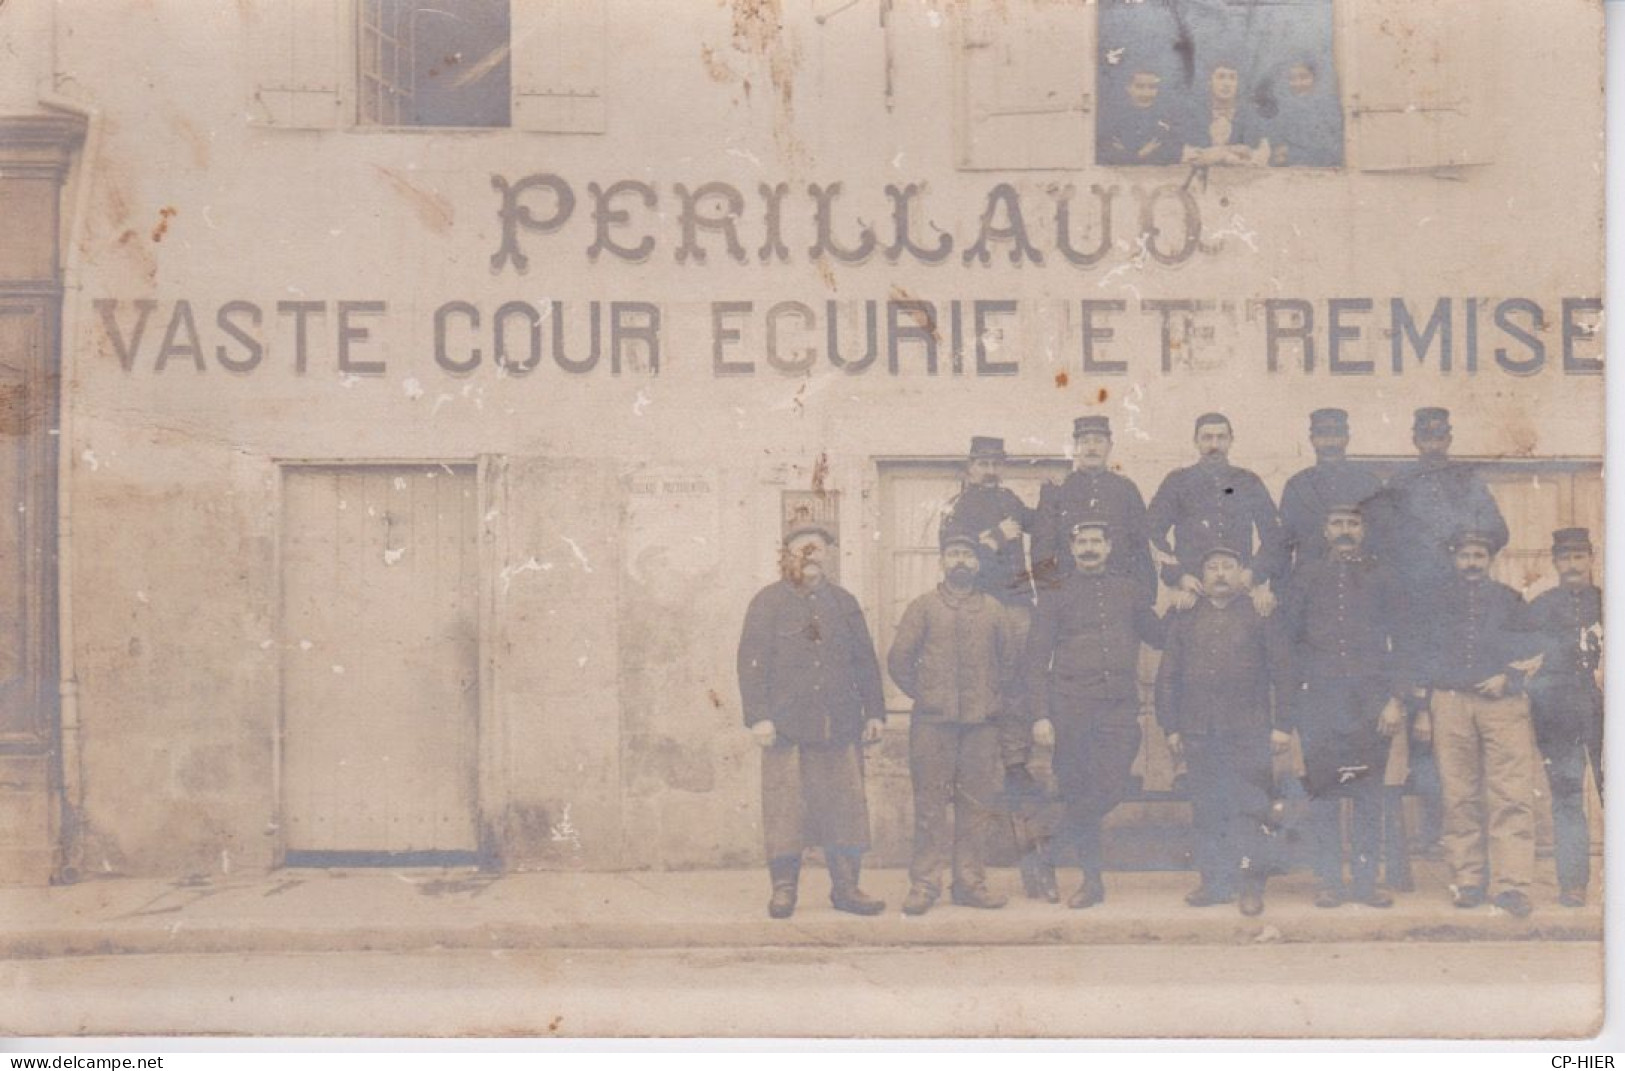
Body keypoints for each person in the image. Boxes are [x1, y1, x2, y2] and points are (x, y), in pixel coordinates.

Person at [1371, 407, 1509, 875]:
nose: (1433, 440)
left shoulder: (1466, 481)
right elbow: (1381, 538)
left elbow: (1498, 531)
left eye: (1440, 433)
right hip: (1409, 604)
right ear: (1413, 438)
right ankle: (1418, 844)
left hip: (1453, 604)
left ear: (1449, 437)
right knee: (1414, 718)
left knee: (1452, 730)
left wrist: (1461, 544)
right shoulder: (1400, 484)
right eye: (1425, 434)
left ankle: (1456, 844)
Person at [737, 523, 887, 919]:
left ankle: (846, 888)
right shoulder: (767, 602)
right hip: (786, 728)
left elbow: (864, 661)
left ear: (827, 555)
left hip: (839, 724)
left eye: (817, 548)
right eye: (801, 549)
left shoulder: (843, 602)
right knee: (785, 811)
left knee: (845, 809)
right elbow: (750, 664)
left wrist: (874, 712)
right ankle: (784, 890)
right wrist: (759, 718)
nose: (810, 555)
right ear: (786, 556)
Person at [1025, 518, 1166, 908]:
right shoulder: (1055, 594)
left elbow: (1158, 636)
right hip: (1070, 707)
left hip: (1118, 706)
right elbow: (1035, 660)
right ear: (1072, 549)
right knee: (1079, 791)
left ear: (1108, 547)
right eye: (1081, 542)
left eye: (1096, 542)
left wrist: (1186, 602)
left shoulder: (1129, 590)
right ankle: (1092, 881)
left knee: (1112, 786)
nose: (1088, 548)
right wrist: (1040, 715)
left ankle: (1045, 854)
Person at [1407, 530, 1540, 916]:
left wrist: (1508, 677)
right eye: (1465, 555)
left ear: (1490, 559)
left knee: (1511, 793)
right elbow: (1418, 655)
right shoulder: (1434, 603)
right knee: (1458, 793)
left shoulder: (1510, 600)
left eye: (1479, 555)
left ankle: (1511, 885)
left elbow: (1536, 650)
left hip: (1503, 704)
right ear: (1454, 559)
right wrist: (1422, 706)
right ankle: (1467, 879)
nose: (1471, 563)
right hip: (1449, 703)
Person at [1156, 545, 1294, 916]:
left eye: (1228, 567)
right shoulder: (1185, 618)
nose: (1220, 574)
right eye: (1212, 567)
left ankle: (1250, 886)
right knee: (1207, 810)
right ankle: (1214, 883)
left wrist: (1282, 726)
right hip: (1200, 732)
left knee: (1250, 809)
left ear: (1241, 573)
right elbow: (1167, 678)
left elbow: (1284, 674)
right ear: (1201, 577)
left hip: (1249, 731)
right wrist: (1171, 728)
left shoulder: (1261, 614)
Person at [1283, 503, 1407, 909]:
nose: (1345, 531)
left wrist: (1394, 699)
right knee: (1325, 795)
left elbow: (1402, 642)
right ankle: (1331, 881)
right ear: (1324, 529)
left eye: (1352, 524)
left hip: (1371, 703)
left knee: (1369, 794)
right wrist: (1300, 693)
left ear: (1364, 529)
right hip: (1319, 700)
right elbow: (1290, 638)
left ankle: (1367, 882)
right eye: (1337, 523)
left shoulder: (1383, 576)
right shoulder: (1305, 577)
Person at [887, 531, 1018, 915]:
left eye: (968, 555)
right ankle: (925, 884)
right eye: (953, 554)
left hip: (981, 726)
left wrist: (991, 700)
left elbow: (1009, 665)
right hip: (932, 725)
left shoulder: (994, 610)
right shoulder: (923, 607)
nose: (960, 561)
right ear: (942, 562)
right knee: (929, 806)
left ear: (978, 564)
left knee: (976, 807)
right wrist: (927, 695)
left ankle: (970, 883)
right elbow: (899, 660)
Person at [939, 436, 1037, 784]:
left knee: (1016, 682)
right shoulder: (957, 507)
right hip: (976, 606)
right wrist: (995, 536)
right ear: (970, 467)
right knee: (980, 680)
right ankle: (975, 763)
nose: (990, 471)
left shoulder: (1011, 500)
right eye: (983, 463)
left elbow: (1038, 525)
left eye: (996, 463)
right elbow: (954, 557)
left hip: (1015, 605)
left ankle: (1014, 761)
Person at [1527, 528, 1604, 907]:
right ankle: (1573, 883)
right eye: (1565, 558)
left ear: (1591, 558)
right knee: (1568, 797)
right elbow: (1522, 657)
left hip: (1608, 713)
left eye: (1579, 557)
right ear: (1555, 562)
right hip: (1559, 716)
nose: (1572, 565)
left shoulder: (1609, 601)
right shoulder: (1539, 607)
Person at [1147, 412, 1285, 614]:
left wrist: (1253, 573)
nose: (1214, 444)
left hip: (1239, 589)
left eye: (1221, 437)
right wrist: (1179, 576)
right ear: (1196, 441)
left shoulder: (1248, 481)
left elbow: (1274, 535)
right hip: (1193, 590)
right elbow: (1152, 532)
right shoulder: (1177, 481)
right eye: (1207, 437)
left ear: (1231, 440)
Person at [1031, 415, 1155, 602]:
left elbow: (1140, 546)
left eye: (1098, 441)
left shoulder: (1125, 489)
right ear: (1075, 447)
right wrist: (1048, 597)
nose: (1091, 448)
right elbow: (1043, 549)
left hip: (1120, 591)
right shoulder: (1057, 490)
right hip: (1070, 593)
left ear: (1109, 446)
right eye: (1084, 441)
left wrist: (1145, 595)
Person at [1277, 409, 1384, 582]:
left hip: (1360, 583)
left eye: (1337, 434)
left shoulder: (1368, 483)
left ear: (1347, 438)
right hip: (1309, 585)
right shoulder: (1297, 485)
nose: (1330, 442)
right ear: (1312, 440)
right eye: (1322, 434)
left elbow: (1382, 539)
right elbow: (1282, 544)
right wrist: (1280, 590)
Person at [1179, 60, 1269, 167]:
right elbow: (1185, 155)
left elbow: (1262, 156)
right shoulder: (1194, 115)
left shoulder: (1251, 115)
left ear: (1238, 84)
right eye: (1221, 77)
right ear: (1209, 82)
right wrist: (1226, 155)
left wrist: (1209, 154)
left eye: (1232, 78)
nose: (1227, 84)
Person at [1266, 58, 1343, 167]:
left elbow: (1332, 149)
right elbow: (1276, 152)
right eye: (1292, 79)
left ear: (1314, 78)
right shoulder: (1285, 110)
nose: (1298, 84)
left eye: (1304, 77)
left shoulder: (1327, 107)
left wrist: (1290, 153)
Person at [1099, 68, 1181, 166]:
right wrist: (1140, 155)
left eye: (1152, 87)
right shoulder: (1114, 118)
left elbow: (1172, 155)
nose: (1146, 93)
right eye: (1139, 87)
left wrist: (1127, 155)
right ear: (1128, 88)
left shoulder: (1166, 118)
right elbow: (1108, 155)